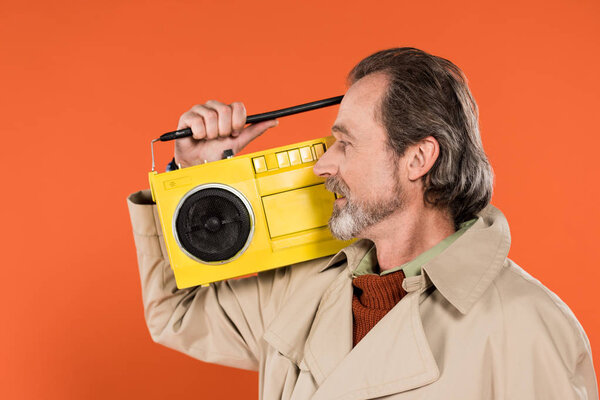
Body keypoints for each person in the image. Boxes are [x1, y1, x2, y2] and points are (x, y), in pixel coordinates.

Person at [127, 48, 598, 399]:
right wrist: (192, 182)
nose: (322, 165)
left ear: (417, 158)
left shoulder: (527, 326)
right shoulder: (306, 288)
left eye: (345, 144)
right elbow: (176, 313)